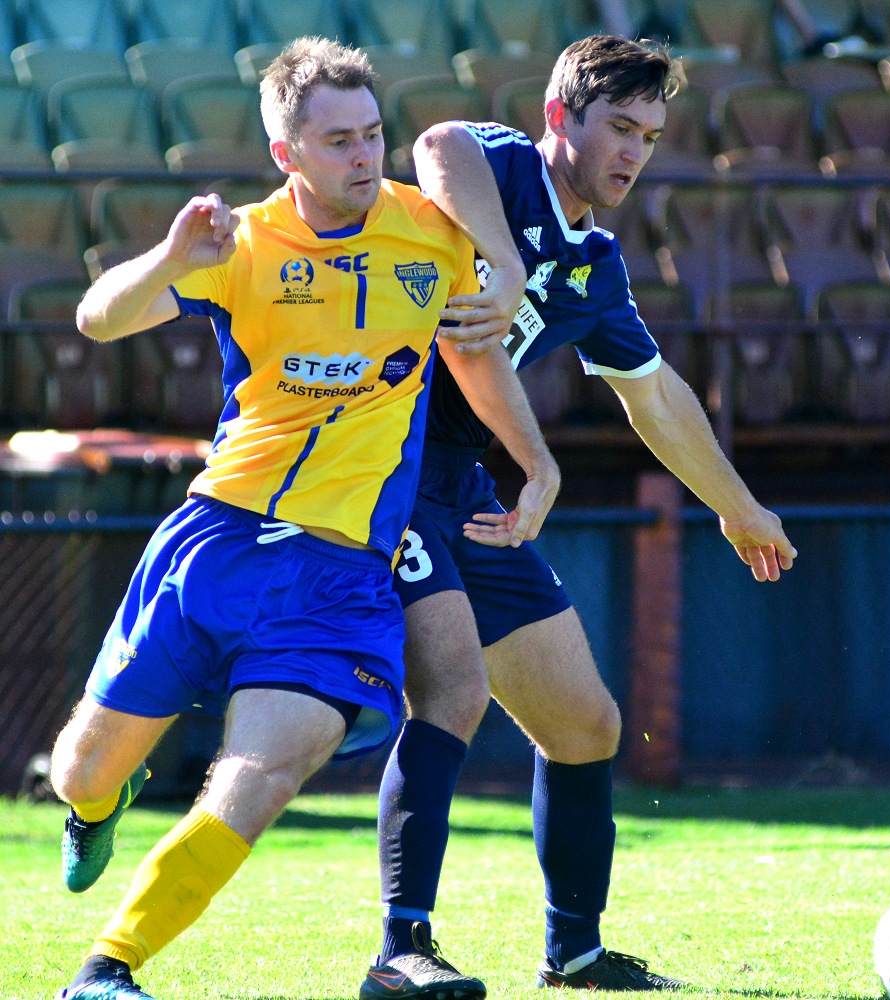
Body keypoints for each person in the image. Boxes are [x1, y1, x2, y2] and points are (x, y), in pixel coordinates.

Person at [51, 36, 558, 1000]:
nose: (363, 157)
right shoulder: (234, 241)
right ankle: (95, 804)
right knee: (81, 768)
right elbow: (97, 321)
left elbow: (473, 349)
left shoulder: (428, 232)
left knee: (263, 772)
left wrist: (533, 462)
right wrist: (167, 254)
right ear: (287, 153)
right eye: (337, 142)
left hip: (341, 574)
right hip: (217, 544)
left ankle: (107, 970)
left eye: (372, 135)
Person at [361, 34, 798, 999]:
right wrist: (504, 260)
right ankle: (400, 950)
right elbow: (435, 142)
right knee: (454, 698)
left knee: (585, 723)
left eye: (648, 134)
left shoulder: (597, 265)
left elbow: (656, 400)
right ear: (560, 118)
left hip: (468, 488)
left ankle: (577, 953)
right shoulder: (502, 167)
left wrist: (739, 508)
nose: (634, 153)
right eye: (618, 127)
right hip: (376, 469)